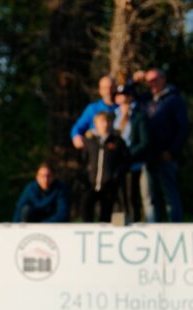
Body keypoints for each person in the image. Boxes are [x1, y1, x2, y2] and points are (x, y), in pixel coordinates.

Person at [135, 68, 190, 222]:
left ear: (163, 80)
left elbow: (183, 128)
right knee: (148, 196)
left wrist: (171, 151)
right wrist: (134, 82)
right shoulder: (146, 100)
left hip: (166, 155)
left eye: (155, 80)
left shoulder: (174, 100)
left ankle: (175, 227)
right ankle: (153, 229)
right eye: (149, 81)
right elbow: (122, 95)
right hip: (148, 156)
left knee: (170, 195)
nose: (151, 84)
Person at [81, 112, 129, 222]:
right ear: (96, 124)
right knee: (86, 206)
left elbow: (125, 161)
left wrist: (116, 175)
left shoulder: (117, 141)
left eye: (108, 121)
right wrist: (85, 176)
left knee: (106, 212)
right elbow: (83, 160)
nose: (105, 124)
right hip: (91, 183)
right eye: (102, 121)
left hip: (109, 184)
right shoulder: (90, 140)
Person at [113, 82, 150, 223]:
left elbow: (144, 141)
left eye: (125, 95)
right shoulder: (114, 115)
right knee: (119, 196)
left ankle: (134, 222)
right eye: (119, 95)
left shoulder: (139, 115)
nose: (122, 98)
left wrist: (128, 156)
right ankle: (119, 223)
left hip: (133, 163)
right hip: (117, 163)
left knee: (132, 195)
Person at [71, 76, 116, 150]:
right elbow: (78, 127)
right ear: (100, 90)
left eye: (111, 87)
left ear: (116, 88)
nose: (108, 91)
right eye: (105, 88)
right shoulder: (93, 108)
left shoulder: (123, 107)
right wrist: (76, 137)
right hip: (98, 149)